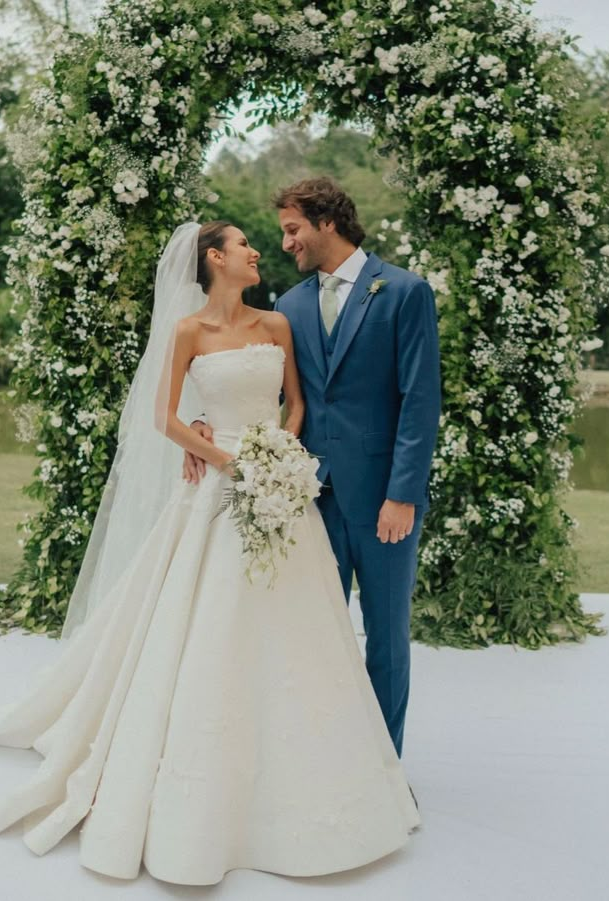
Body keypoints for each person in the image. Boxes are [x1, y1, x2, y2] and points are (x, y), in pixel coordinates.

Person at [0, 220, 420, 887]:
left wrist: (277, 458)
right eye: (247, 244)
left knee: (306, 634)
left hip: (278, 489)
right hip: (218, 493)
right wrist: (226, 456)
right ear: (215, 258)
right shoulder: (188, 332)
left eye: (268, 239)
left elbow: (298, 405)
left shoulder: (277, 321)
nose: (259, 251)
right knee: (208, 630)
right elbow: (165, 418)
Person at [185, 179, 441, 759]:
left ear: (327, 222)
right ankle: (319, 759)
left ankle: (383, 770)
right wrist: (204, 421)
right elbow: (265, 386)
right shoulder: (290, 305)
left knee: (386, 640)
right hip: (303, 502)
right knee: (307, 634)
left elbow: (420, 401)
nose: (284, 243)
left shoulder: (404, 292)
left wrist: (403, 493)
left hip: (383, 501)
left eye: (292, 229)